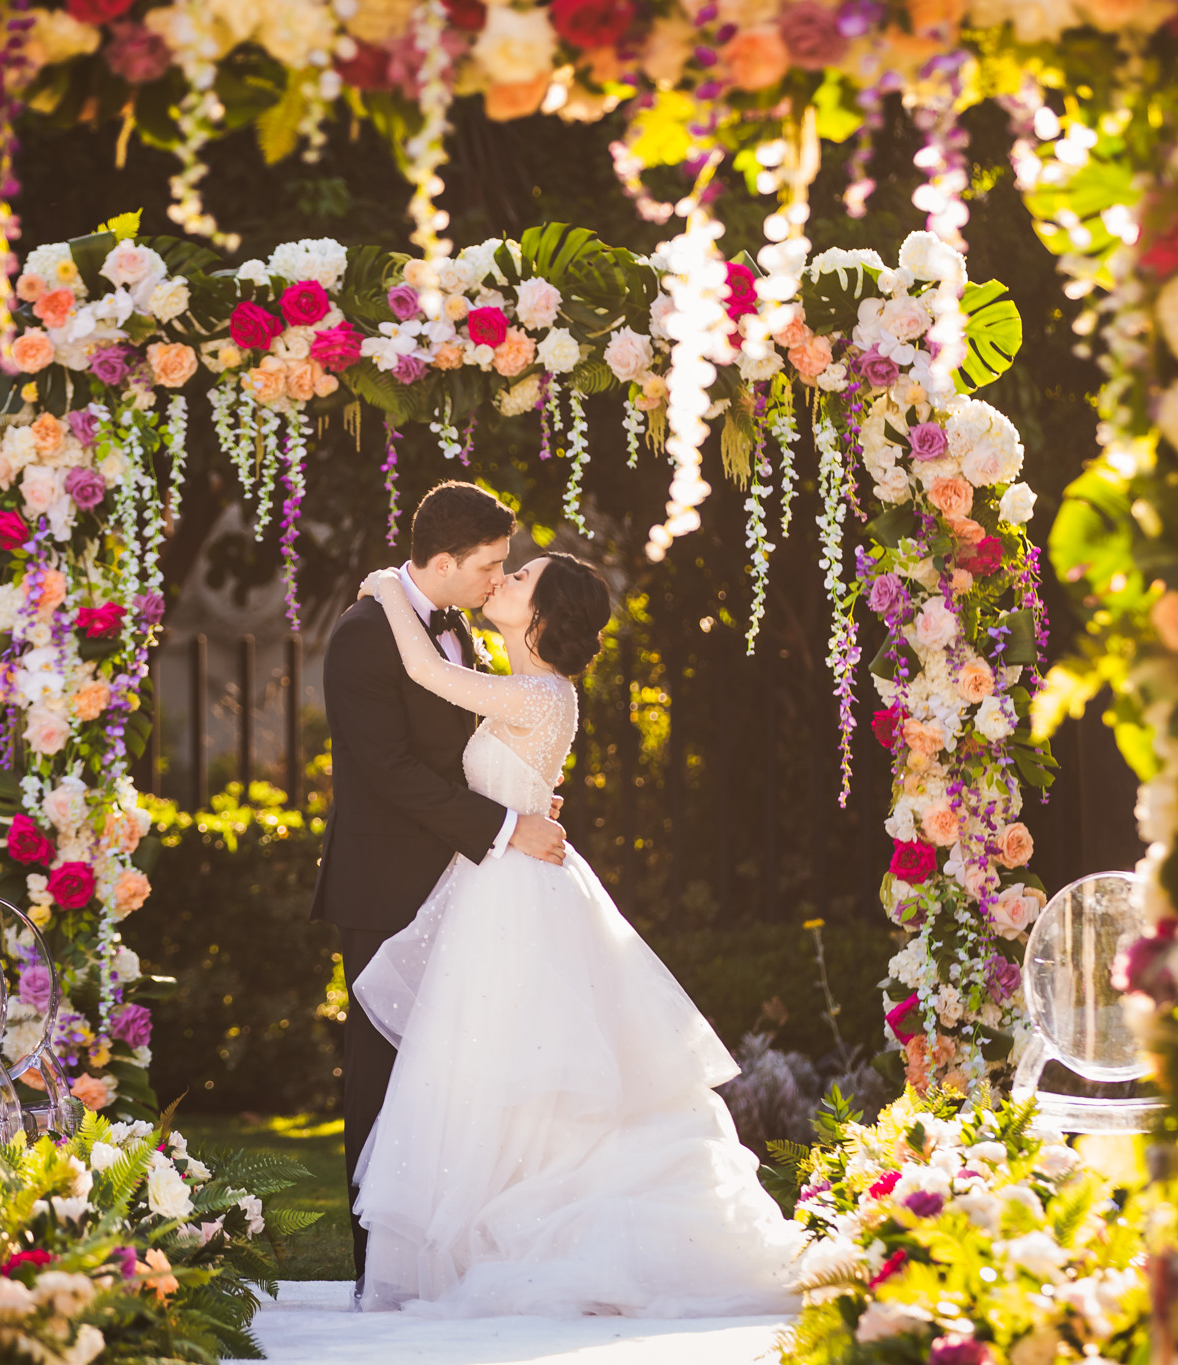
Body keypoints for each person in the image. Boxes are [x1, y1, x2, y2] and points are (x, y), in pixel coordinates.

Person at [346, 548, 809, 1317]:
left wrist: (390, 590)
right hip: (502, 888)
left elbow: (432, 676)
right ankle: (492, 1233)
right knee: (496, 1064)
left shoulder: (541, 693)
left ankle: (536, 1238)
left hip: (518, 901)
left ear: (545, 614)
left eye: (520, 577)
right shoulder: (531, 687)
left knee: (525, 1068)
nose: (504, 579)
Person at [309, 482, 569, 1295]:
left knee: (459, 1077)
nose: (499, 579)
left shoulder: (457, 630)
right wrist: (504, 825)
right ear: (447, 561)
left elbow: (469, 743)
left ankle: (450, 1258)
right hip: (387, 883)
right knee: (382, 1076)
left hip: (463, 889)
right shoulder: (362, 636)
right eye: (491, 565)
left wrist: (516, 797)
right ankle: (377, 1273)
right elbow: (386, 771)